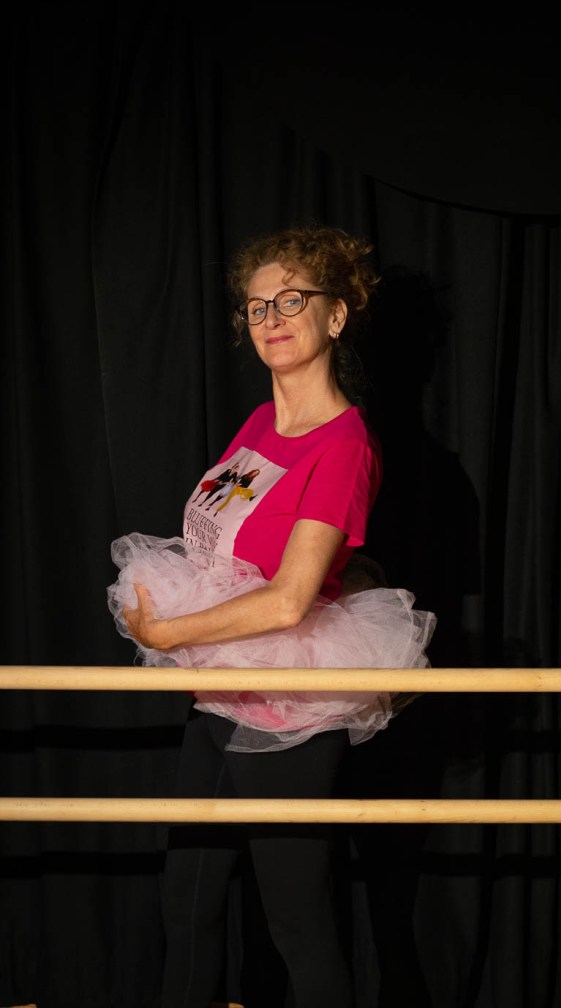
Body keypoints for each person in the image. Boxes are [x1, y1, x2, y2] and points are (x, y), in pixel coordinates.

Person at [106, 224, 437, 1008]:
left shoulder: (344, 444)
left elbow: (289, 600)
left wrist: (167, 635)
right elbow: (235, 544)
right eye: (257, 307)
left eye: (292, 301)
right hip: (220, 682)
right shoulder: (260, 423)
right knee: (188, 898)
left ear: (336, 315)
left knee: (295, 920)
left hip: (286, 699)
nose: (272, 319)